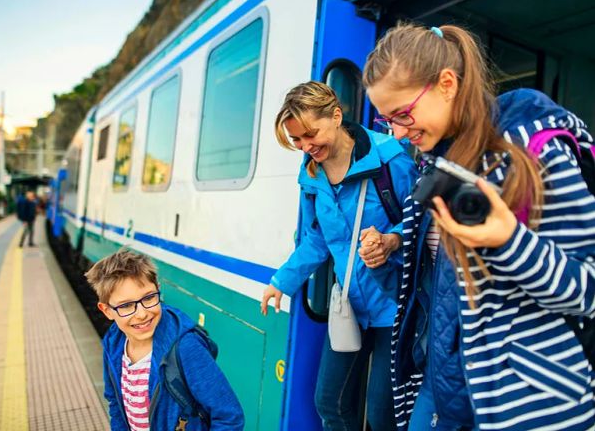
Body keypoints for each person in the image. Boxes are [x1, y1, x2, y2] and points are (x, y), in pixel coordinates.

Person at [361, 23, 595, 430]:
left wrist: (509, 241)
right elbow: (429, 292)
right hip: (443, 388)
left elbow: (588, 290)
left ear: (447, 84)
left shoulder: (531, 152)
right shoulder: (435, 168)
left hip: (528, 404)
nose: (398, 132)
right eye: (387, 121)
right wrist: (385, 257)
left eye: (403, 114)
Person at [260, 81, 417, 430]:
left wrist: (391, 240)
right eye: (297, 140)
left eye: (310, 134)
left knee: (382, 415)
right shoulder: (311, 172)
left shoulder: (391, 158)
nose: (305, 147)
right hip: (350, 303)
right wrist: (281, 282)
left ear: (335, 115)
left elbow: (425, 224)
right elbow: (316, 238)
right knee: (330, 402)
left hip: (395, 304)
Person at [86, 250, 245, 431]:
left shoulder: (186, 347)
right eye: (126, 305)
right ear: (106, 310)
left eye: (148, 298)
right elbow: (115, 400)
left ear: (158, 290)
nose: (142, 313)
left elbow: (229, 416)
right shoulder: (113, 344)